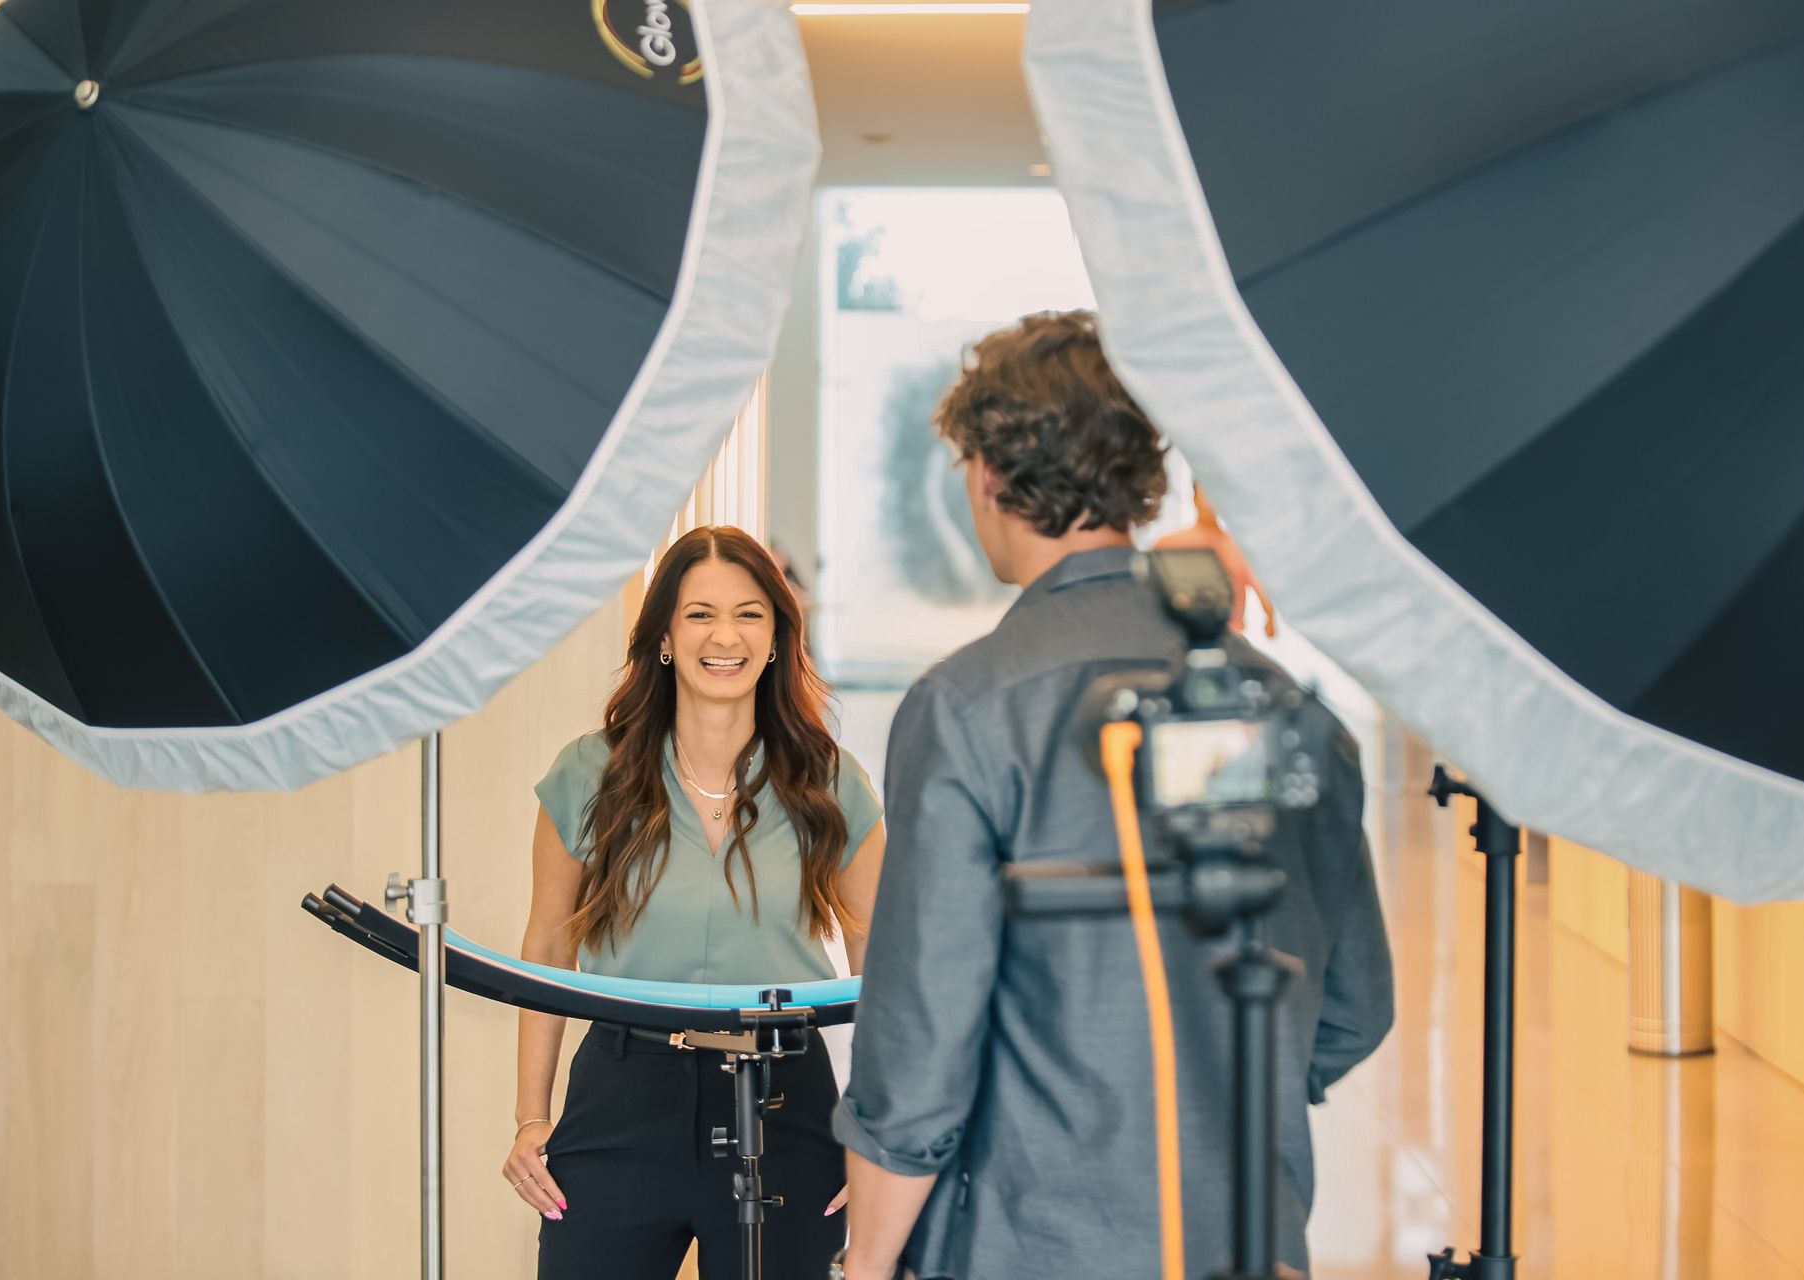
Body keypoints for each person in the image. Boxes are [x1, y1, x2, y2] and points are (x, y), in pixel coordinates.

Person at [833, 311, 1393, 1279]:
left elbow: (921, 1049)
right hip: (1247, 1233)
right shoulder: (1288, 706)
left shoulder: (968, 707)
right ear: (1139, 475)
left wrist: (867, 1262)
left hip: (1030, 1236)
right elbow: (1353, 1006)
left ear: (987, 473)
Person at [502, 526, 887, 1280]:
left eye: (749, 614)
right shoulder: (590, 773)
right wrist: (530, 1116)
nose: (726, 635)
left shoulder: (829, 780)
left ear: (777, 637)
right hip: (623, 1093)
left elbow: (881, 956)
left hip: (786, 1102)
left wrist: (876, 1128)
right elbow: (547, 946)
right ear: (666, 638)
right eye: (700, 613)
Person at [1154, 484, 1278, 638]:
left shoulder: (1237, 545)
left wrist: (1269, 616)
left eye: (1214, 496)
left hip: (1231, 634)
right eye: (1205, 495)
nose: (1209, 503)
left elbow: (1256, 582)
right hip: (1180, 635)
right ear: (1194, 498)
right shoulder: (1168, 543)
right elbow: (1153, 587)